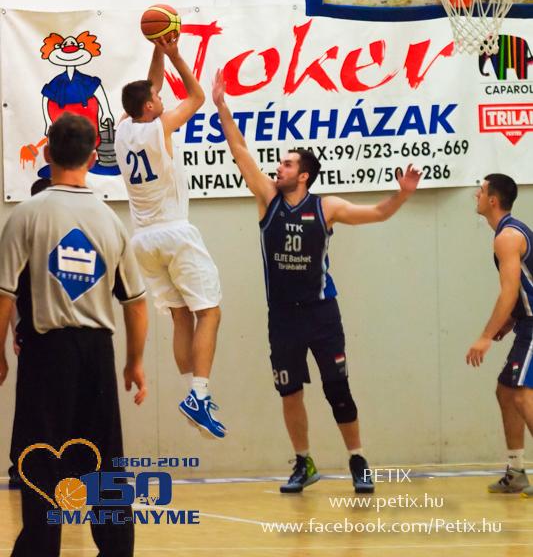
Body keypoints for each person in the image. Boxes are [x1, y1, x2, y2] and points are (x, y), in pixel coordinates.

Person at [212, 69, 421, 493]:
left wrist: (401, 195)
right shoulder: (267, 199)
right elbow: (239, 150)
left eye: (287, 163)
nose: (279, 167)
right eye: (280, 162)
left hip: (322, 313)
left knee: (337, 389)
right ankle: (304, 463)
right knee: (289, 392)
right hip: (282, 316)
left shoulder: (327, 207)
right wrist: (221, 105)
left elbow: (377, 214)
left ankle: (357, 459)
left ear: (303, 175)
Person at [0, 112, 148, 557]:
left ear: (47, 153)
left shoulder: (26, 215)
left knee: (40, 462)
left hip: (46, 354)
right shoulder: (110, 221)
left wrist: (0, 354)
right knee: (105, 464)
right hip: (97, 353)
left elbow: (4, 296)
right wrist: (134, 362)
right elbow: (136, 303)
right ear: (92, 158)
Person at [115, 35, 224, 438]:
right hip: (174, 231)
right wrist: (176, 54)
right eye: (157, 98)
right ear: (149, 108)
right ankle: (199, 394)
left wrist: (157, 48)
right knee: (209, 312)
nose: (161, 99)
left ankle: (194, 393)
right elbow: (197, 97)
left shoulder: (123, 129)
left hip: (143, 239)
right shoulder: (160, 126)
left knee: (181, 315)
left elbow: (151, 85)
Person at [467, 174, 533, 496]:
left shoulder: (507, 237)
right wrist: (508, 323)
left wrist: (485, 336)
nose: (476, 195)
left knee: (522, 395)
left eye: (480, 191)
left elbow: (508, 292)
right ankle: (517, 471)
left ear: (492, 200)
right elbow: (522, 288)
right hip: (526, 322)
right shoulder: (510, 232)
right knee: (506, 392)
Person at [7, 178, 52, 490]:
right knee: (30, 405)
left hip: (52, 334)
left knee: (37, 404)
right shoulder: (23, 240)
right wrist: (16, 333)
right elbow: (8, 294)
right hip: (35, 334)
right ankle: (21, 467)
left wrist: (15, 332)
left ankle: (57, 465)